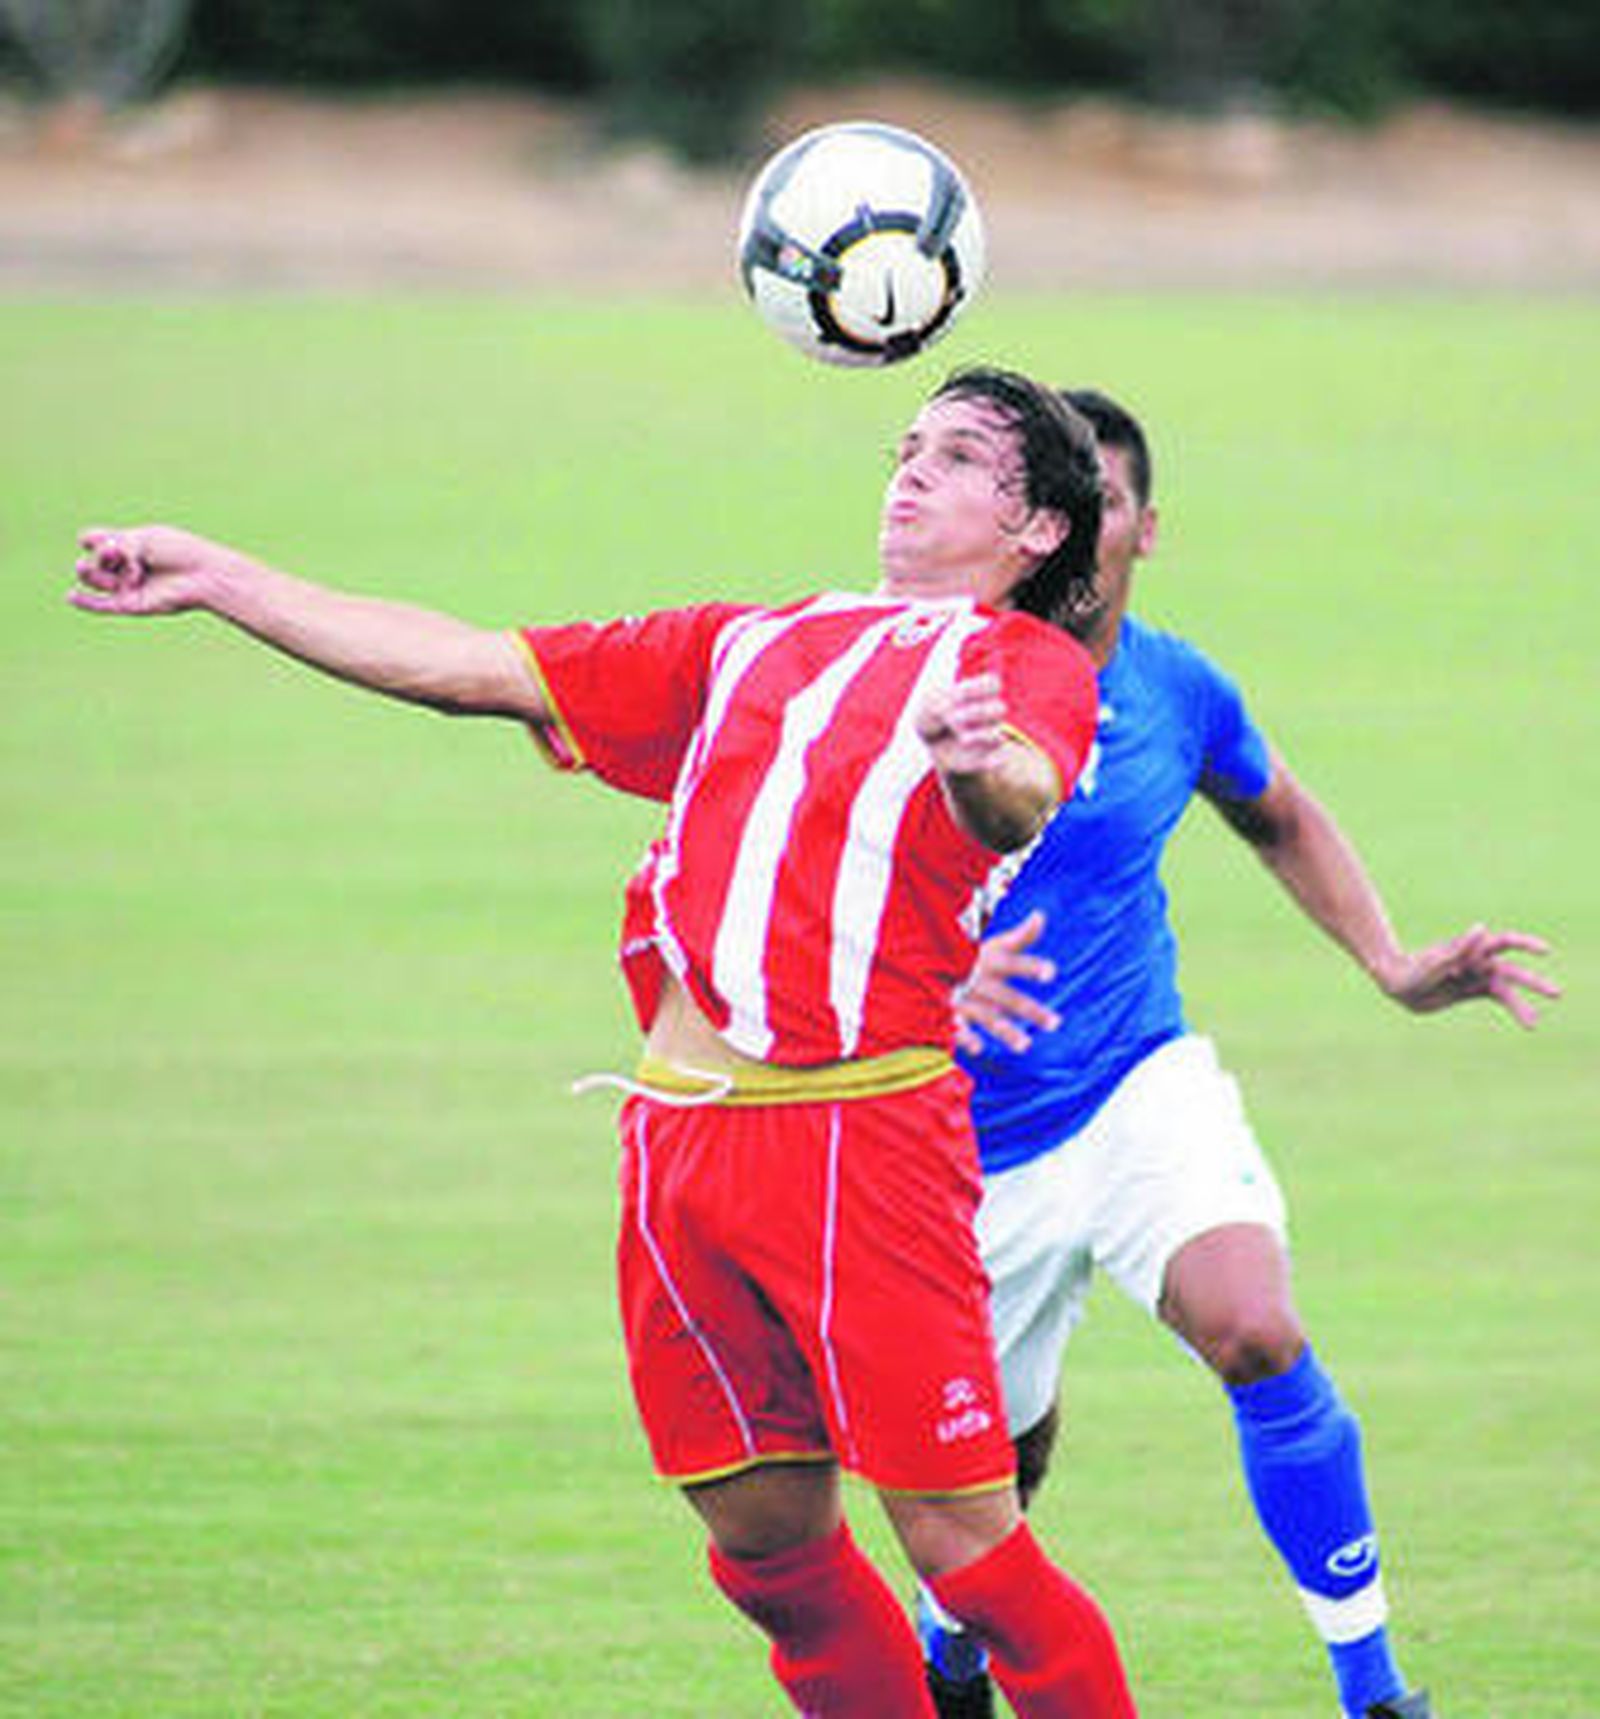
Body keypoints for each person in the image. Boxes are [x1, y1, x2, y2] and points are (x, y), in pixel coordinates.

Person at [70, 366, 1140, 1718]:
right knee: (767, 1548)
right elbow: (473, 665)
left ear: (1039, 528)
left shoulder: (1022, 665)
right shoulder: (755, 641)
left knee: (966, 1553)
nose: (911, 471)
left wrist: (966, 757)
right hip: (677, 1144)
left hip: (856, 1141)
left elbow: (1019, 799)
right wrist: (227, 579)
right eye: (906, 444)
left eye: (963, 458)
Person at [916, 387, 1559, 1719]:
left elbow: (1279, 813)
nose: (1082, 526)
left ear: (1143, 528)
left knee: (1256, 1328)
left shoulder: (1174, 688)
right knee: (997, 1469)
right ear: (1030, 528)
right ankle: (953, 1652)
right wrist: (930, 977)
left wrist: (1392, 963)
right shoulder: (930, 684)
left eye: (1106, 501)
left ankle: (1377, 1693)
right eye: (1060, 502)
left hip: (1136, 1084)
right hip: (963, 1143)